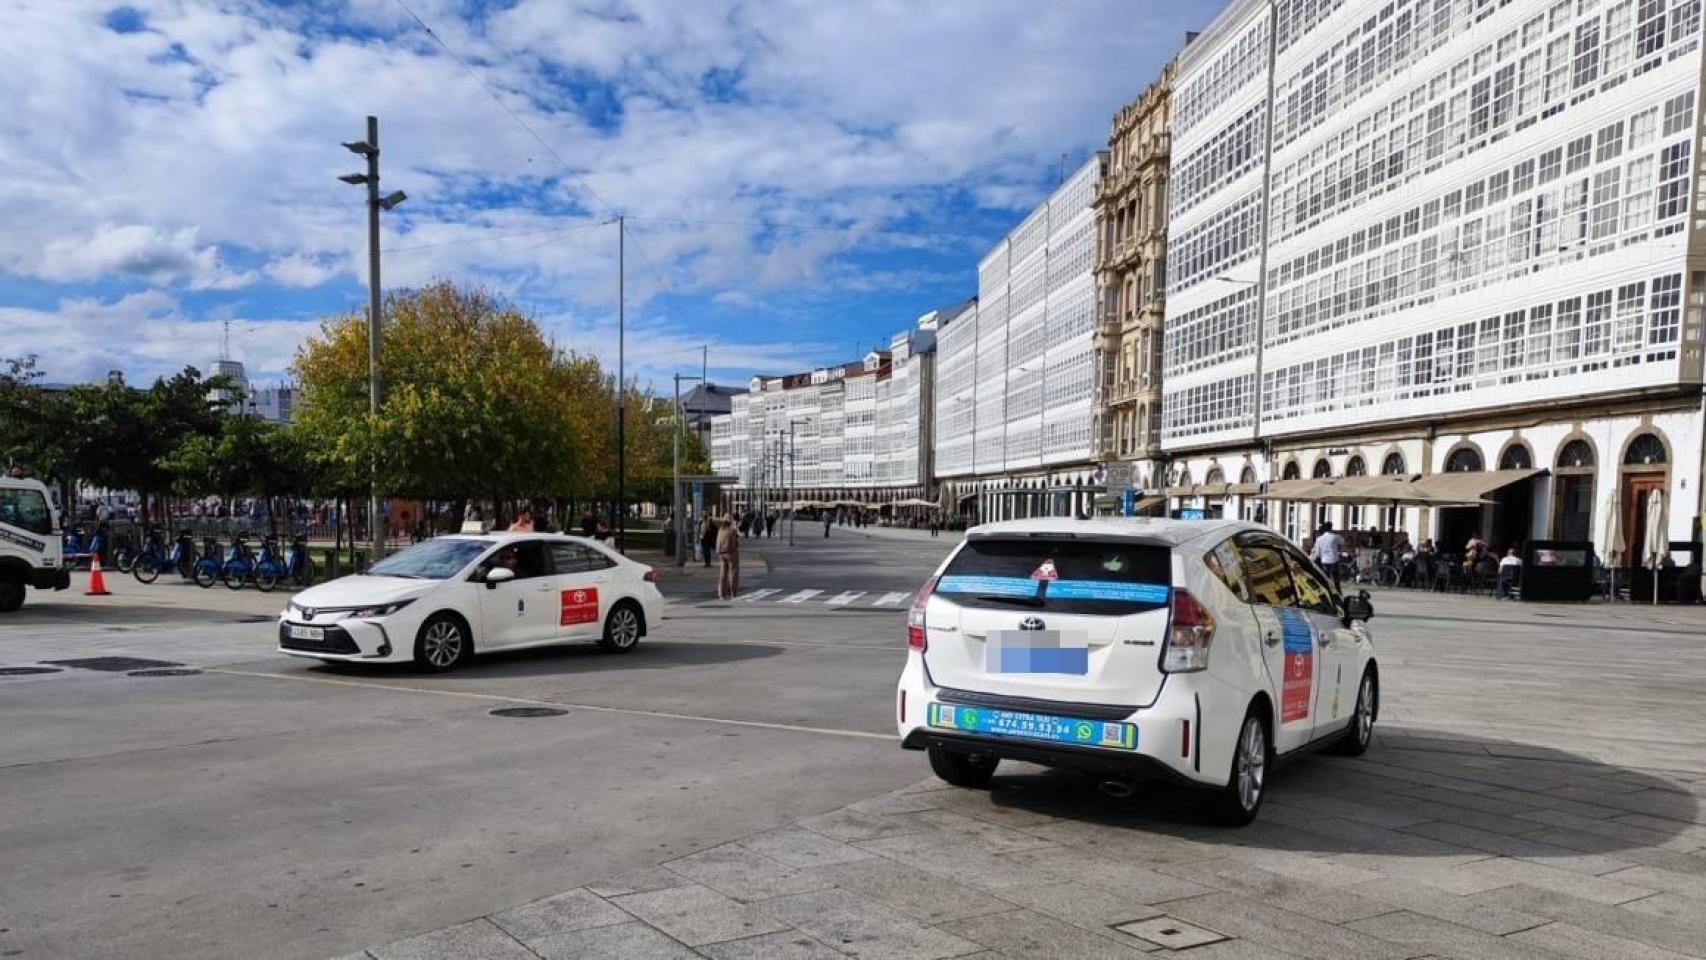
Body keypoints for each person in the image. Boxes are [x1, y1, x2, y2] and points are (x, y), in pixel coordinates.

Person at [1310, 521, 1344, 591]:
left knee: (1326, 578)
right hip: (1334, 559)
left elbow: (1318, 553)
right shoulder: (1335, 537)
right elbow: (1342, 542)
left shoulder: (1319, 539)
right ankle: (1338, 591)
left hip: (1325, 560)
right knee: (1336, 578)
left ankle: (1327, 591)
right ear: (1331, 528)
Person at [715, 518, 741, 600]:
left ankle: (722, 594)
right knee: (733, 573)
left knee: (723, 573)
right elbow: (737, 543)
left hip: (721, 553)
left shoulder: (720, 530)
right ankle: (733, 593)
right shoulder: (732, 531)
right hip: (731, 553)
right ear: (730, 523)